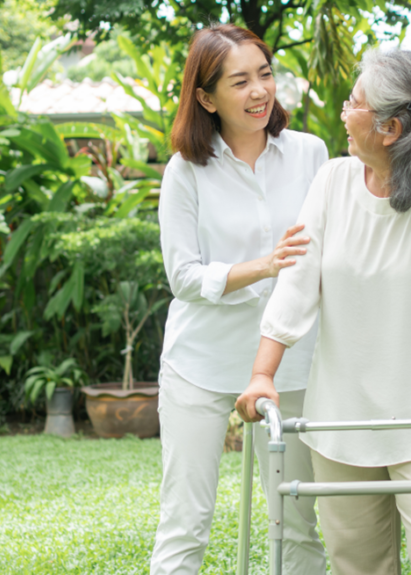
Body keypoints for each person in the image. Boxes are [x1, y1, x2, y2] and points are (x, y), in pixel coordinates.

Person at [235, 48, 411, 575]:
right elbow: (298, 281)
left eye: (354, 104)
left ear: (390, 129)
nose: (344, 113)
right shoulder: (332, 182)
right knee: (357, 561)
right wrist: (262, 374)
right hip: (343, 415)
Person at [151, 24, 328, 575]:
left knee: (297, 518)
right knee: (186, 519)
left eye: (266, 74)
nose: (259, 92)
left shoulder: (310, 154)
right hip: (201, 362)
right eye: (240, 81)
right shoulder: (185, 170)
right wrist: (264, 266)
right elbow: (182, 276)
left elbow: (328, 256)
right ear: (205, 97)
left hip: (294, 361)